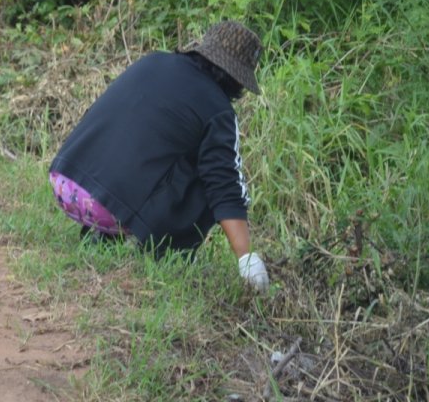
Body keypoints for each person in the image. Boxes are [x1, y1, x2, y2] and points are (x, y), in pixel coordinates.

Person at [48, 20, 271, 291]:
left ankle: (104, 238)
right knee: (207, 175)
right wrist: (246, 258)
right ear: (237, 79)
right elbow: (225, 184)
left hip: (67, 182)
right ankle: (168, 254)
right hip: (107, 209)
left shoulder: (153, 62)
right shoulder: (218, 110)